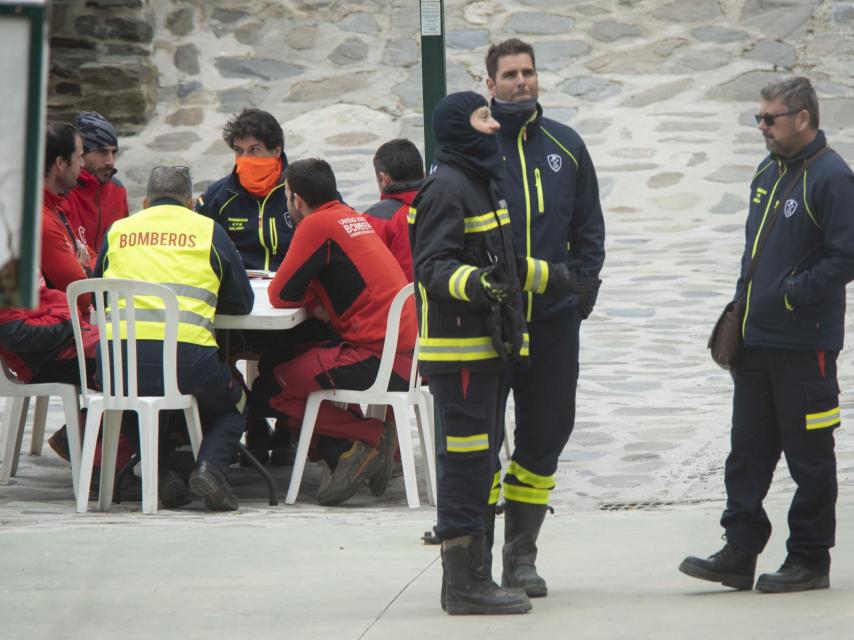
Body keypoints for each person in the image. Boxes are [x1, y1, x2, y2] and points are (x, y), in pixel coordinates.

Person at [409, 91, 596, 616]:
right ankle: (464, 583)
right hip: (462, 357)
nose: (494, 126)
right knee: (468, 465)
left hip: (487, 354)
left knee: (478, 460)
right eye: (483, 116)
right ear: (459, 128)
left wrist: (559, 279)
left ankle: (480, 576)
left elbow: (505, 262)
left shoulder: (478, 183)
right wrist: (481, 284)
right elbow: (433, 267)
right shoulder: (447, 187)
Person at [679, 77, 854, 593]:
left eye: (769, 119)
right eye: (759, 118)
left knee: (809, 457)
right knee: (747, 453)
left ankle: (809, 559)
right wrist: (741, 311)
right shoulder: (767, 172)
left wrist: (793, 294)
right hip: (757, 344)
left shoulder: (832, 178)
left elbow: (846, 257)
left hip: (805, 348)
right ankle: (740, 552)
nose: (762, 128)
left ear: (802, 118)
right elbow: (754, 258)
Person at [485, 38, 605, 599]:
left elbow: (589, 232)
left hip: (555, 324)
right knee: (479, 445)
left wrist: (578, 299)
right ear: (490, 84)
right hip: (489, 326)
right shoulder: (473, 148)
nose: (522, 82)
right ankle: (473, 564)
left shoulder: (568, 145)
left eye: (529, 72)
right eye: (510, 74)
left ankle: (521, 558)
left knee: (545, 437)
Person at [253, 158, 411, 506]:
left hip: (377, 357)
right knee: (284, 361)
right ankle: (345, 452)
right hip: (404, 356)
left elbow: (281, 295)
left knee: (269, 390)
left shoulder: (316, 224)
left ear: (296, 199)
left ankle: (369, 438)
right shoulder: (351, 216)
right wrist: (314, 298)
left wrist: (309, 297)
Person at [95, 165, 254, 510]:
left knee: (130, 403)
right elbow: (242, 302)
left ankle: (162, 469)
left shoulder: (118, 231)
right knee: (235, 401)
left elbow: (99, 292)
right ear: (190, 202)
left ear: (146, 200)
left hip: (117, 364)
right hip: (189, 364)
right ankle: (210, 467)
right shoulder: (208, 230)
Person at [195, 108, 292, 272]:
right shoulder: (217, 196)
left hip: (293, 291)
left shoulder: (303, 189)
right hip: (238, 291)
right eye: (239, 151)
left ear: (276, 151)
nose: (245, 158)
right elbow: (197, 248)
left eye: (254, 150)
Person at [64, 111, 129, 256]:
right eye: (102, 152)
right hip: (77, 276)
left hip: (111, 275)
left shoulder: (117, 190)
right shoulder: (63, 191)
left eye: (113, 153)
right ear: (81, 153)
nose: (110, 161)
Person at [41, 122, 90, 311]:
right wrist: (82, 269)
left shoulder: (54, 206)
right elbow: (82, 297)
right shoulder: (43, 221)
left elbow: (88, 253)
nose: (83, 164)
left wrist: (81, 267)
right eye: (79, 157)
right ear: (60, 163)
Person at [362, 139, 425, 280]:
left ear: (383, 179)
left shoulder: (374, 219)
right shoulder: (444, 204)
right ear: (424, 173)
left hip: (402, 300)